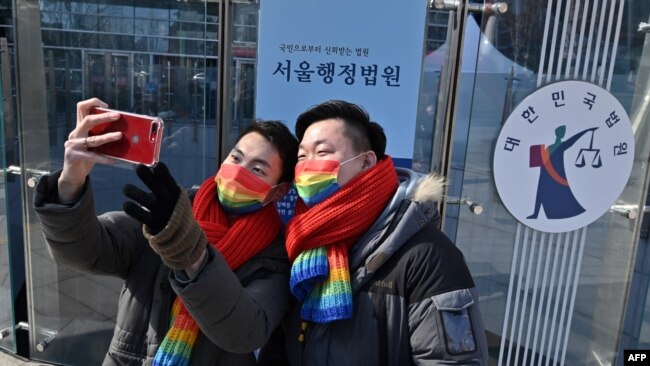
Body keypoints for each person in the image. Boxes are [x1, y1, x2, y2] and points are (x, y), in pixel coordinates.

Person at [33, 98, 298, 365]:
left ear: (279, 190)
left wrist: (185, 248)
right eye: (236, 157)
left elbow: (245, 332)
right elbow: (83, 250)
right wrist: (70, 181)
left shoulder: (275, 256)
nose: (238, 172)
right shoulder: (168, 210)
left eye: (257, 169)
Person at [260, 100, 488, 365]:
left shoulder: (427, 256)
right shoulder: (302, 243)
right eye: (301, 157)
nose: (307, 166)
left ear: (366, 161)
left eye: (322, 152)